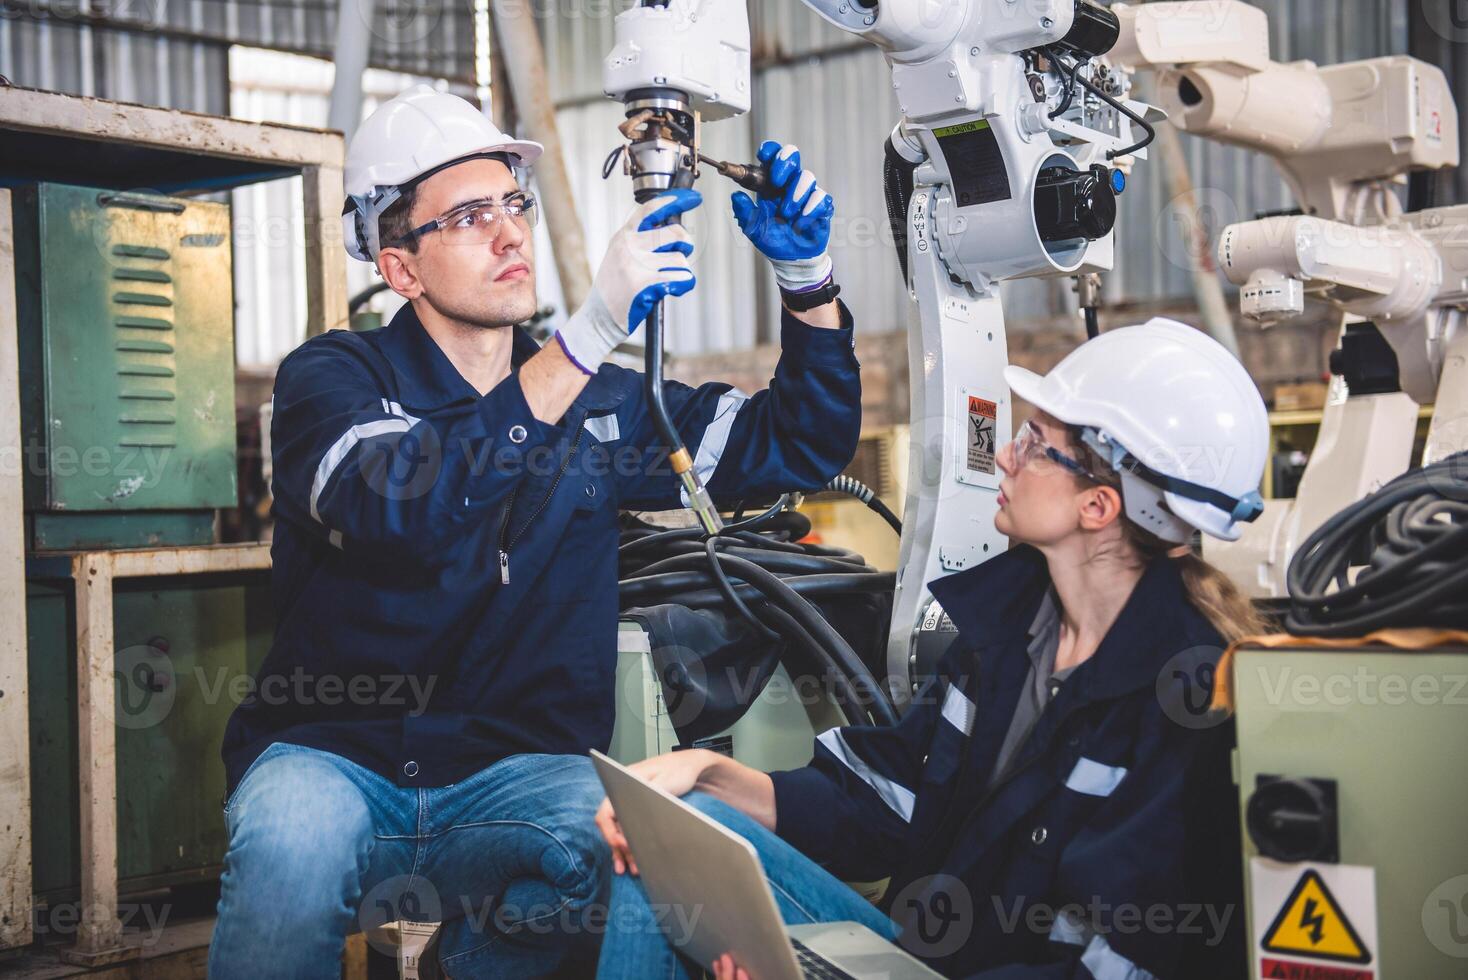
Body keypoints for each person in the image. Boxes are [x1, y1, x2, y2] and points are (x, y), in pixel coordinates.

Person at [209, 84, 862, 979]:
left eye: (512, 204)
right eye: (470, 216)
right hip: (336, 760)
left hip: (518, 776)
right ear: (400, 268)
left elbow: (794, 444)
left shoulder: (602, 404)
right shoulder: (335, 379)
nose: (512, 232)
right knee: (289, 852)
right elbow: (401, 504)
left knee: (662, 855)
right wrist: (589, 335)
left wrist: (809, 281)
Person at [594, 318, 1269, 979]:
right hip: (922, 955)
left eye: (1036, 444)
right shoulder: (1012, 627)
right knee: (668, 844)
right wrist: (705, 776)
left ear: (1098, 506)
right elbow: (886, 801)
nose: (1005, 454)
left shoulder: (1186, 693)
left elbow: (1109, 960)